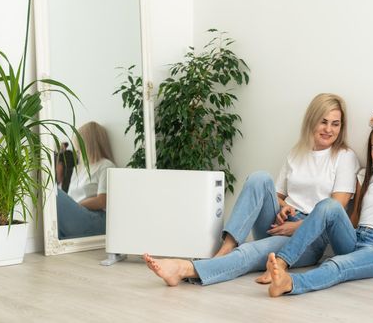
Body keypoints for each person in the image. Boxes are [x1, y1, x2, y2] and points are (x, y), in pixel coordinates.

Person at [143, 93, 360, 286]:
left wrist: (296, 228)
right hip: (281, 222)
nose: (329, 129)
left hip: (309, 239)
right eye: (324, 122)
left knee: (250, 250)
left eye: (336, 124)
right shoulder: (297, 152)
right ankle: (226, 246)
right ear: (311, 120)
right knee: (259, 178)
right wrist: (284, 207)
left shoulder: (344, 156)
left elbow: (334, 210)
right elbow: (277, 195)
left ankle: (185, 269)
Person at [266, 110, 373, 297]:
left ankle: (290, 283)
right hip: (355, 238)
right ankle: (282, 261)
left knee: (337, 264)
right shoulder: (363, 176)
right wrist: (342, 231)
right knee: (329, 205)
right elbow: (355, 215)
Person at [57, 121, 116, 239]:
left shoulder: (105, 165)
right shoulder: (78, 169)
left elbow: (103, 201)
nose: (76, 149)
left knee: (54, 192)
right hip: (78, 216)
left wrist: (77, 206)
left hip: (95, 219)